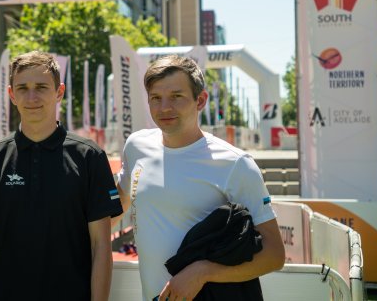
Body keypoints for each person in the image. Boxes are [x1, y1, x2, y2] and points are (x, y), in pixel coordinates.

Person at [115, 55, 285, 301]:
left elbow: (274, 254)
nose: (164, 108)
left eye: (176, 97)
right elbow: (117, 204)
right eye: (156, 98)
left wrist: (203, 272)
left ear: (201, 100)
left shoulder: (236, 164)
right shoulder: (136, 146)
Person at [0, 51, 122, 301]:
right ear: (11, 94)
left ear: (59, 92)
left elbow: (101, 246)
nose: (32, 97)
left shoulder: (90, 157)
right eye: (23, 88)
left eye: (41, 87)